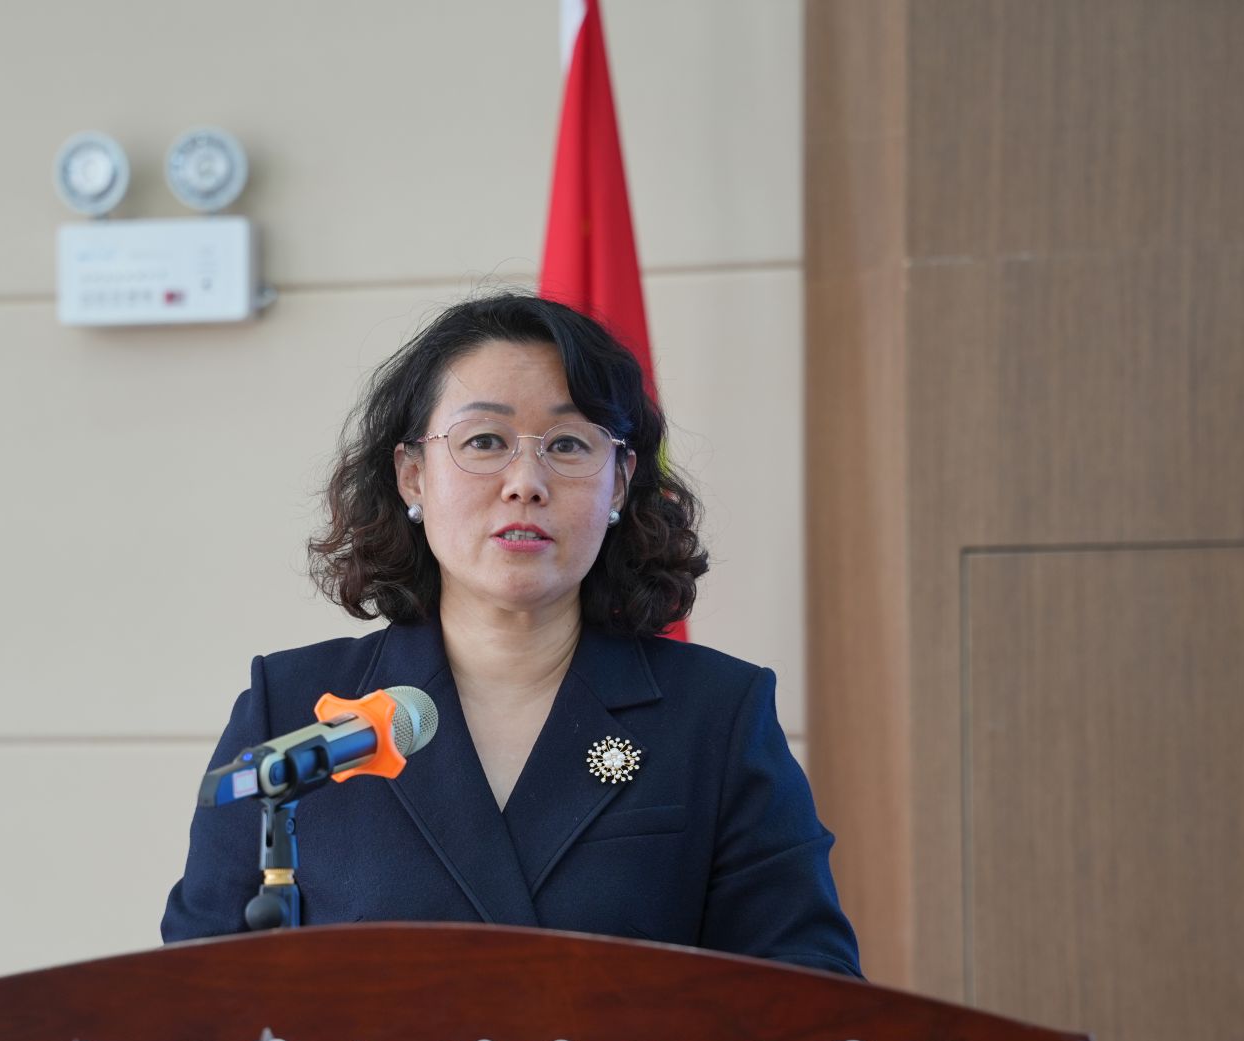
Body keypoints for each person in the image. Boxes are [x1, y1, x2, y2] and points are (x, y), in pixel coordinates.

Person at [161, 292, 860, 977]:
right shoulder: (293, 710)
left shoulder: (716, 715)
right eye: (485, 442)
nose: (526, 482)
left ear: (619, 484)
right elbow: (190, 997)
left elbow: (807, 992)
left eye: (568, 444)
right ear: (413, 476)